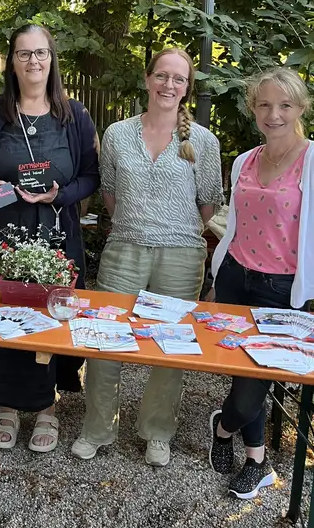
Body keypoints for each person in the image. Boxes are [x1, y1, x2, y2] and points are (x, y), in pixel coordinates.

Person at [206, 66, 314, 499]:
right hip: (236, 277)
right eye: (264, 104)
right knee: (240, 371)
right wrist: (218, 276)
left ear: (300, 108)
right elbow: (235, 226)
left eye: (285, 105)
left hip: (282, 289)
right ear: (253, 109)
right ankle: (256, 460)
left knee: (256, 378)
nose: (273, 114)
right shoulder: (244, 161)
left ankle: (222, 427)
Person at [70, 47, 223, 466]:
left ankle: (158, 431)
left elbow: (208, 205)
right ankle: (98, 428)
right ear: (147, 79)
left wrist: (170, 227)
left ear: (187, 88)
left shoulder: (204, 142)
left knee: (170, 346)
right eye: (162, 76)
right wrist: (140, 225)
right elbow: (110, 195)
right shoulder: (118, 133)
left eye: (178, 79)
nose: (168, 85)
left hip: (182, 255)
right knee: (104, 340)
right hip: (125, 249)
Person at [0, 24, 100, 453]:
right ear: (12, 62)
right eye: (24, 54)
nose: (33, 61)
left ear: (52, 59)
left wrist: (62, 193)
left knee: (49, 315)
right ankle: (5, 403)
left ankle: (46, 407)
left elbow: (90, 176)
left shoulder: (73, 115)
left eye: (40, 53)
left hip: (55, 231)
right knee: (2, 314)